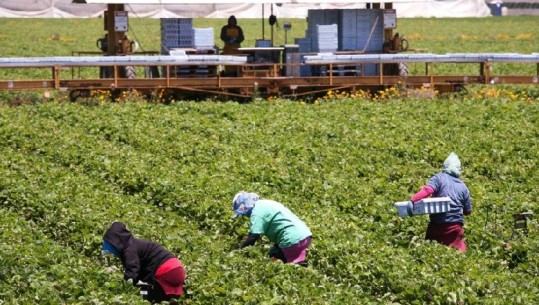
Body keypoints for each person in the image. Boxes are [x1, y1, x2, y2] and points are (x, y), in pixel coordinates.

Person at [102, 222, 186, 303]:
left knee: (151, 298)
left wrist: (122, 288)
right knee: (163, 298)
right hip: (177, 269)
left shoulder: (129, 249)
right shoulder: (135, 244)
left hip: (166, 271)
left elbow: (132, 270)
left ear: (117, 242)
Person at [410, 152, 472, 253]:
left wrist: (412, 201)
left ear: (444, 167)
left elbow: (427, 190)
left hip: (437, 227)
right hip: (455, 228)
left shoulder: (438, 178)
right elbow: (468, 211)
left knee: (430, 250)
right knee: (457, 252)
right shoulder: (463, 187)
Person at [232, 191, 312, 266]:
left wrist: (240, 252)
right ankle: (304, 268)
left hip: (291, 240)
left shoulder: (257, 212)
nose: (244, 216)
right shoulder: (266, 203)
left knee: (280, 262)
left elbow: (253, 236)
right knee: (275, 253)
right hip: (304, 236)